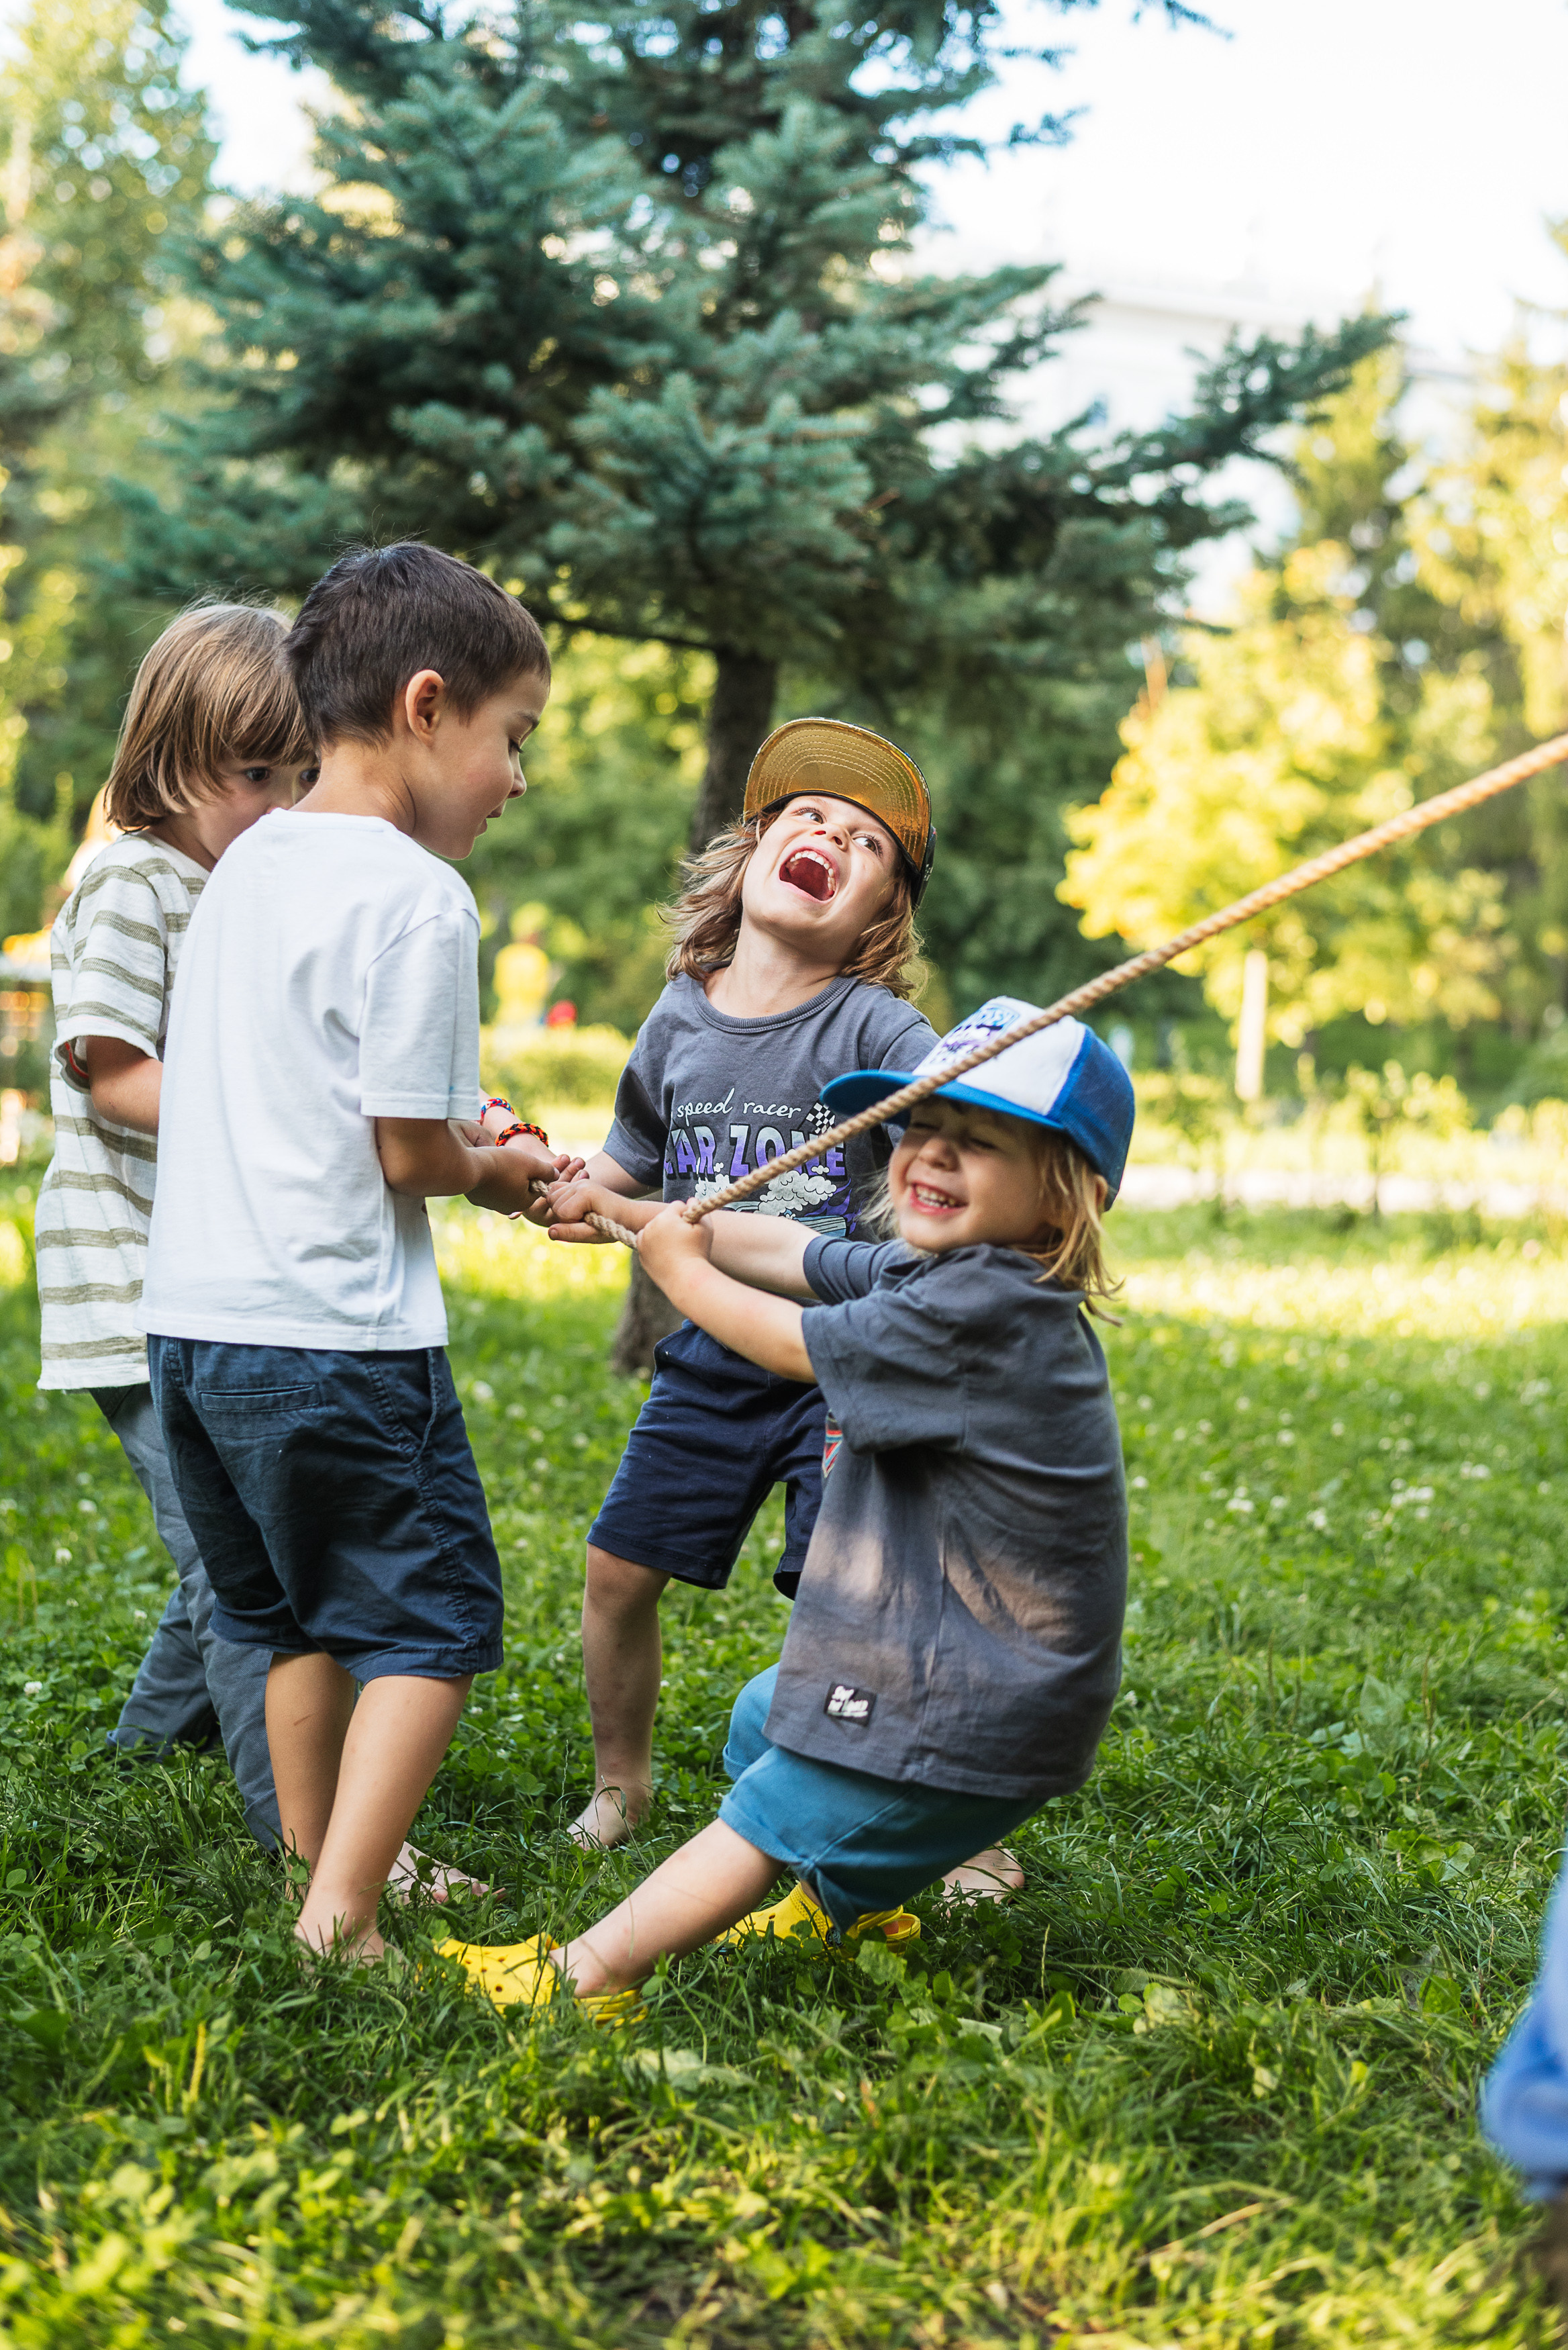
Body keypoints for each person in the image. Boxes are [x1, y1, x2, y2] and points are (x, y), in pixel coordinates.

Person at [444, 1000, 1134, 2014]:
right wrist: (638, 1215)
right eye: (923, 1128)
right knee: (769, 1712)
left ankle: (584, 1977)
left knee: (768, 1810)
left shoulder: (984, 1314)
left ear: (1067, 1195)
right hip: (970, 1676)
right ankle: (848, 1905)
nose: (932, 1158)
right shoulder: (944, 1272)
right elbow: (782, 1251)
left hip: (970, 1697)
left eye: (978, 1143)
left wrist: (677, 1271)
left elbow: (788, 1341)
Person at [138, 543, 580, 1961]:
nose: (516, 779)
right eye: (514, 738)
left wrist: (466, 1127)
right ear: (428, 705)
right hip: (334, 1337)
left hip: (197, 1331)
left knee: (294, 1624)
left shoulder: (249, 861)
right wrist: (505, 1177)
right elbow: (409, 1151)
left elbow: (321, 1085)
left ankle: (319, 1870)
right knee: (431, 1624)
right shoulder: (418, 896)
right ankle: (342, 1915)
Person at [550, 716, 943, 1853]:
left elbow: (961, 1138)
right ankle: (624, 1784)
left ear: (880, 915)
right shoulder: (680, 1014)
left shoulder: (880, 1027)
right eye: (808, 817)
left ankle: (927, 1814)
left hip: (841, 1368)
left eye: (867, 842)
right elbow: (629, 1169)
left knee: (848, 1604)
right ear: (752, 856)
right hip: (713, 1359)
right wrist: (564, 1184)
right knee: (617, 1571)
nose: (831, 833)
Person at [35, 604, 317, 1851]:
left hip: (201, 1288)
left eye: (297, 777)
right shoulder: (135, 879)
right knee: (238, 1564)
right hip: (130, 1288)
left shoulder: (226, 885)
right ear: (168, 757)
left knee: (232, 1532)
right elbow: (112, 1073)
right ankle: (299, 1837)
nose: (278, 803)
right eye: (255, 775)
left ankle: (143, 1756)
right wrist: (269, 1113)